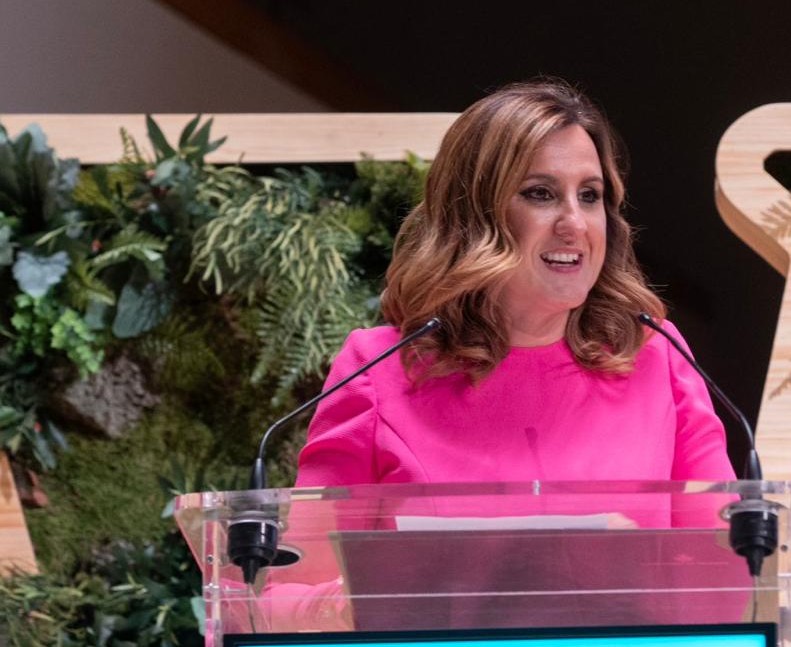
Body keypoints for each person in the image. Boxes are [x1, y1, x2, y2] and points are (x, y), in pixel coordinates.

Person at [294, 80, 735, 487]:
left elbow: (729, 557)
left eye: (589, 195)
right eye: (540, 193)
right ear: (473, 217)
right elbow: (305, 571)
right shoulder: (378, 369)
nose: (575, 224)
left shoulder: (653, 355)